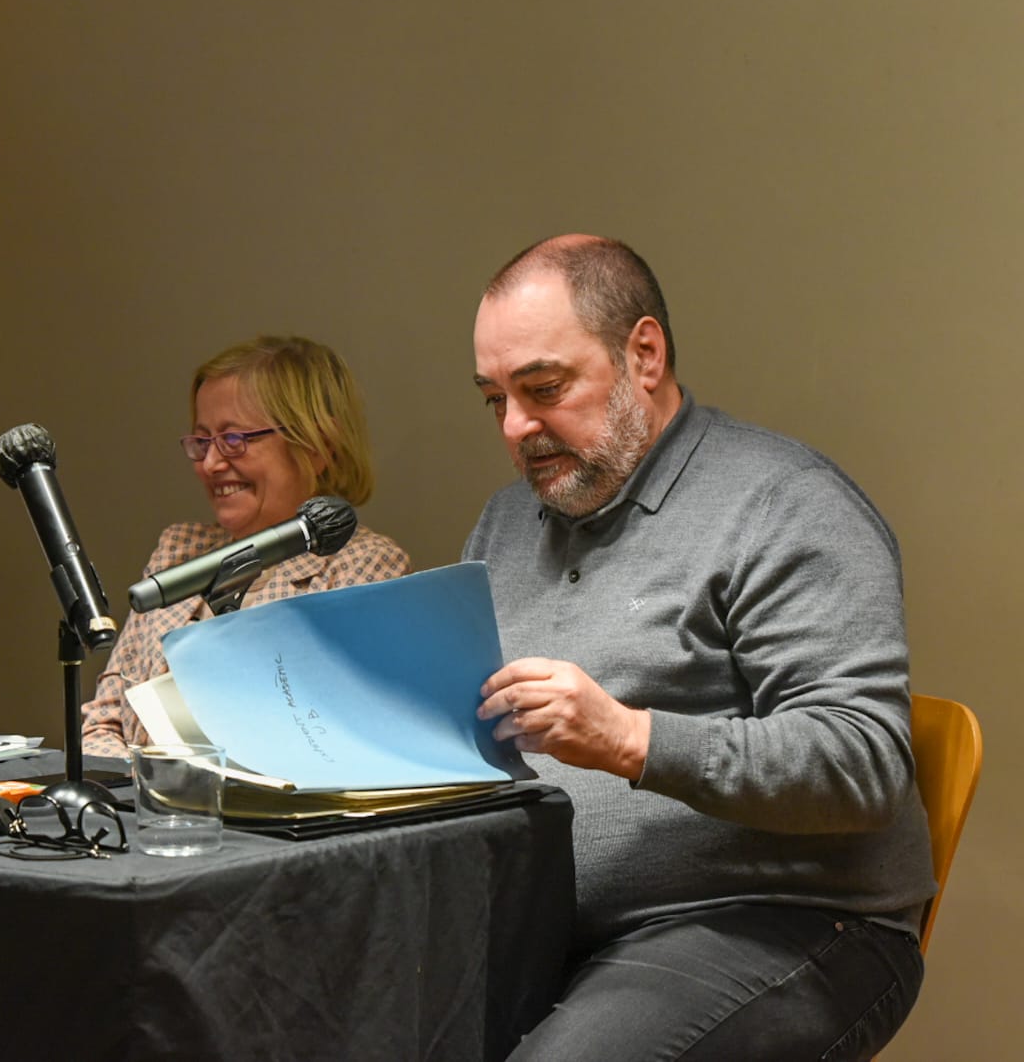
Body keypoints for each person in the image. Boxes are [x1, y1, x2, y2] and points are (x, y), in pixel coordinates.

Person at [464, 235, 934, 1060]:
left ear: (644, 353)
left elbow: (860, 761)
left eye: (543, 387)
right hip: (545, 932)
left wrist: (631, 738)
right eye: (494, 398)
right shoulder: (504, 526)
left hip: (782, 924)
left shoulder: (783, 504)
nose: (516, 426)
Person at [81, 335, 412, 758]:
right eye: (202, 442)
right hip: (152, 816)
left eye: (234, 440)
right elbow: (103, 726)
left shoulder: (362, 566)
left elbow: (329, 743)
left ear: (317, 448)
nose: (211, 464)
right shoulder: (179, 549)